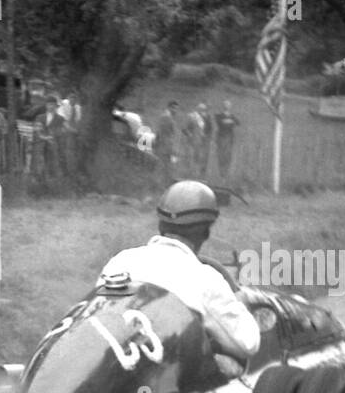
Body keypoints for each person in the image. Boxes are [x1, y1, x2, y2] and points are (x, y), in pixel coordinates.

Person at [95, 180, 260, 365]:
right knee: (231, 369)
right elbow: (248, 344)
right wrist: (240, 302)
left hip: (107, 369)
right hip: (162, 381)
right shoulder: (205, 279)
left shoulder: (120, 262)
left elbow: (97, 317)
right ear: (205, 232)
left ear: (161, 224)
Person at [154, 100, 181, 184]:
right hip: (165, 148)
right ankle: (160, 185)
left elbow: (159, 133)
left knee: (164, 168)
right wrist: (172, 149)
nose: (175, 111)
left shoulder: (167, 117)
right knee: (164, 168)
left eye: (176, 109)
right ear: (169, 107)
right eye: (174, 108)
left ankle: (161, 184)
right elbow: (165, 135)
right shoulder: (166, 117)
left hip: (164, 147)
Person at [213, 99, 239, 179]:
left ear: (230, 107)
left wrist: (229, 120)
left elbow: (238, 123)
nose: (227, 106)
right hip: (221, 137)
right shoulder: (219, 115)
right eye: (225, 105)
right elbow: (219, 122)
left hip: (229, 138)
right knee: (221, 155)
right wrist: (229, 121)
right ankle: (221, 173)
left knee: (228, 156)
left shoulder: (232, 116)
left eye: (228, 105)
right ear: (223, 106)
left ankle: (226, 173)